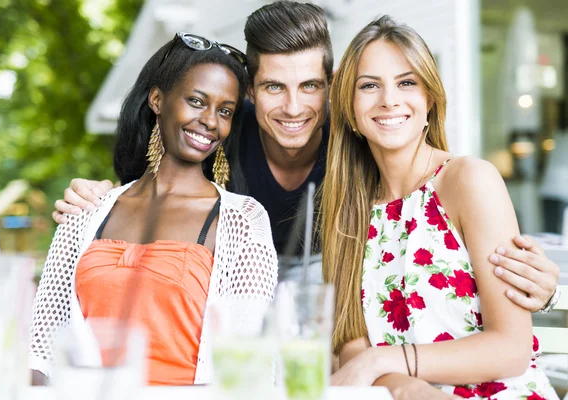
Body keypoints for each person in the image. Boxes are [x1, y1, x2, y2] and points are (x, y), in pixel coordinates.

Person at [50, 1, 561, 319]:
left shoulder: (362, 135)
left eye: (310, 87)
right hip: (231, 294)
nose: (293, 109)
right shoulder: (221, 129)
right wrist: (98, 199)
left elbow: (434, 214)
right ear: (250, 89)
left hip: (341, 293)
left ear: (332, 86)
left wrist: (540, 285)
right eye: (274, 87)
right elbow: (153, 200)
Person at [322, 15, 559, 400]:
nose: (389, 99)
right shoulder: (347, 212)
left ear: (429, 99)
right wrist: (407, 388)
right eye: (369, 86)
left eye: (406, 82)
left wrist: (381, 363)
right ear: (349, 109)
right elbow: (353, 345)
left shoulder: (469, 180)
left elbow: (512, 349)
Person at [28, 32, 278, 386]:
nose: (210, 121)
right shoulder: (89, 211)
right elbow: (41, 355)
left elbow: (246, 366)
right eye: (196, 101)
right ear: (158, 99)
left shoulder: (242, 221)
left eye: (224, 111)